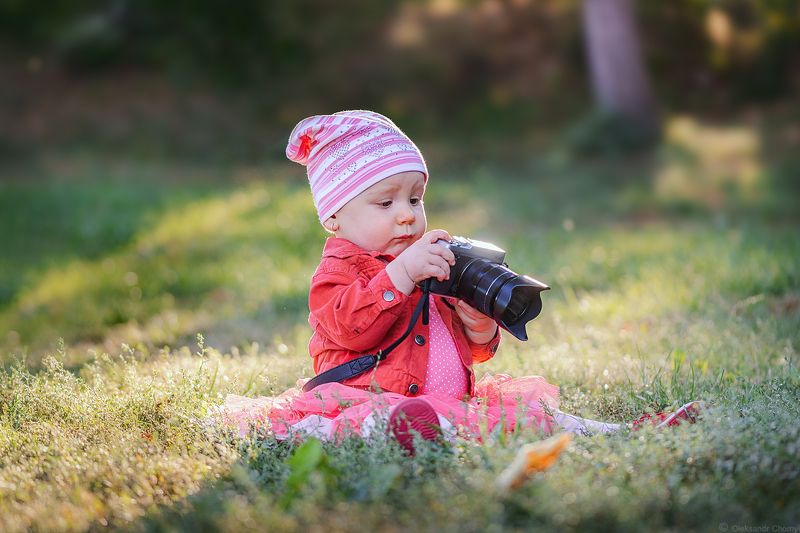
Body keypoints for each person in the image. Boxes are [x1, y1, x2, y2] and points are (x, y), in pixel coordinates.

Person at [221, 110, 700, 453]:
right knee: (358, 423)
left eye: (415, 197)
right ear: (334, 217)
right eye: (385, 204)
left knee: (532, 415)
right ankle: (357, 434)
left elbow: (470, 352)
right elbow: (350, 330)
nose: (408, 215)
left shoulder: (428, 259)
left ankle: (622, 433)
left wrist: (477, 322)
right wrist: (402, 274)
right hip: (369, 397)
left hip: (450, 400)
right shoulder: (340, 272)